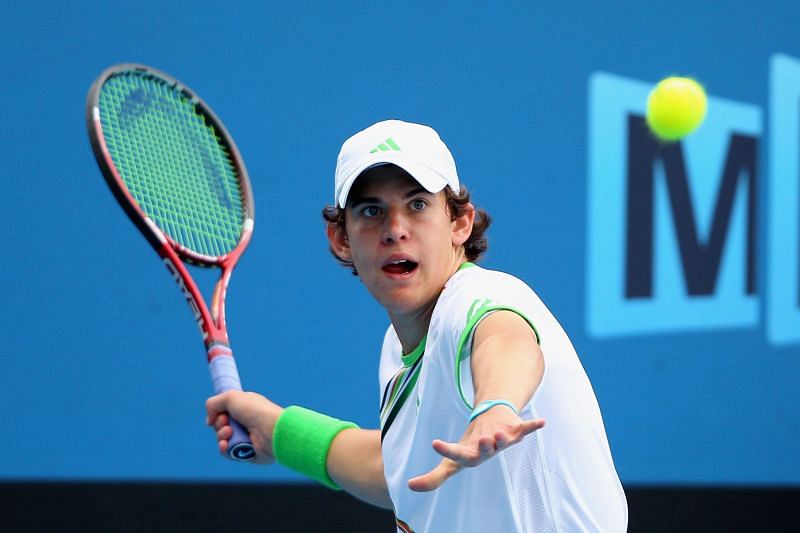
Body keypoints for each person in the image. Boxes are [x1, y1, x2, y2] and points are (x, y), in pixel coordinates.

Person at [206, 119, 628, 532]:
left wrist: (497, 404)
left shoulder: (479, 298)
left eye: (418, 205)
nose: (395, 231)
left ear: (460, 222)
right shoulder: (398, 347)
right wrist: (279, 431)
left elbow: (505, 339)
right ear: (341, 239)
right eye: (371, 211)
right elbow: (397, 472)